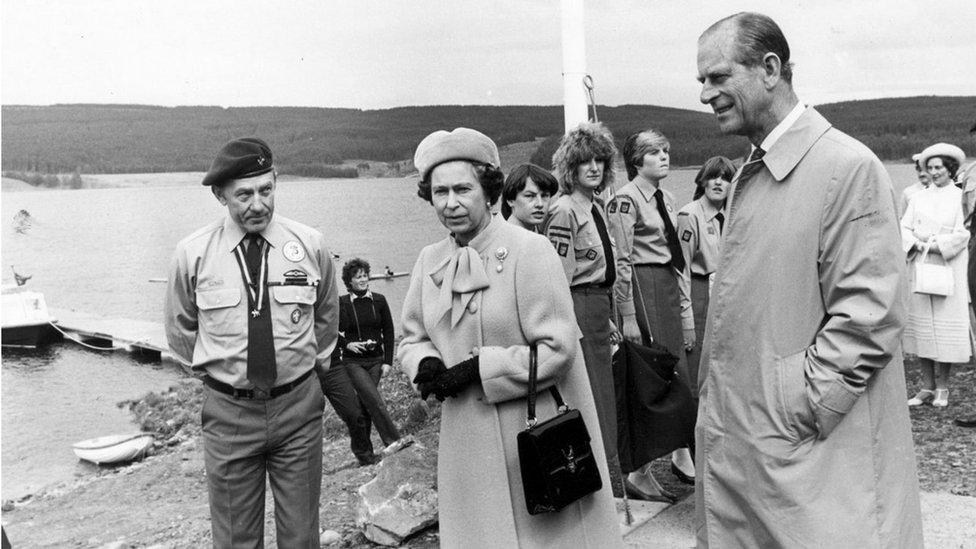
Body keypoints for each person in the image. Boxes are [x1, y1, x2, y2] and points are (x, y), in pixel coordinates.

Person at [694, 13, 922, 547]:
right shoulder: (756, 168)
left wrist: (800, 406)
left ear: (770, 68)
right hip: (759, 451)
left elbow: (870, 315)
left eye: (718, 77)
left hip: (806, 455)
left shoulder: (846, 167)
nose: (706, 94)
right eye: (702, 81)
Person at [398, 127, 621, 548]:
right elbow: (411, 337)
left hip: (531, 433)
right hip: (466, 436)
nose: (451, 203)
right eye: (439, 192)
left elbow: (558, 349)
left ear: (489, 190)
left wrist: (477, 368)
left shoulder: (529, 251)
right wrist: (424, 362)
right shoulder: (430, 260)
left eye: (463, 189)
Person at [164, 137, 339, 546]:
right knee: (235, 538)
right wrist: (225, 374)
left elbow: (327, 317)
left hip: (298, 409)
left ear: (276, 182)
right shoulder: (193, 254)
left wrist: (305, 368)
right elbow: (180, 329)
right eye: (243, 194)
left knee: (301, 536)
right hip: (229, 415)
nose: (257, 204)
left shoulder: (310, 245)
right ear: (219, 195)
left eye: (266, 190)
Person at [609, 129, 694, 496]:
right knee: (657, 372)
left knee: (679, 370)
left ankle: (680, 450)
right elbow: (622, 260)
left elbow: (675, 253)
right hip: (645, 287)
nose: (664, 156)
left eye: (666, 149)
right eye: (654, 152)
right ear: (636, 162)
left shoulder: (668, 199)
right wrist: (627, 314)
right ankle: (641, 470)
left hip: (667, 284)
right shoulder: (625, 201)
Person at [544, 122, 626, 497]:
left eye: (599, 160)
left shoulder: (594, 206)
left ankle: (610, 477)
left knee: (604, 394)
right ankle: (600, 482)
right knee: (590, 394)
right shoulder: (564, 211)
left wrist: (607, 316)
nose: (593, 167)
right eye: (584, 162)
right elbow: (560, 278)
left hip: (597, 307)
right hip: (577, 306)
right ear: (570, 168)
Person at [903, 143, 970, 408]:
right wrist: (916, 244)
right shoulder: (918, 197)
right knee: (922, 327)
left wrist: (933, 245)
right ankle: (926, 387)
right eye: (929, 168)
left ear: (949, 168)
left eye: (939, 167)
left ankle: (943, 387)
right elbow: (904, 227)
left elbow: (962, 233)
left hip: (947, 267)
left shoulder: (958, 196)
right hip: (920, 267)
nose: (933, 172)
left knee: (944, 327)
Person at [326, 258, 402, 464]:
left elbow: (389, 331)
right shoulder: (341, 303)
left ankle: (365, 454)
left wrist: (388, 361)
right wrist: (346, 344)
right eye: (358, 277)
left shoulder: (379, 300)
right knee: (374, 400)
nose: (363, 279)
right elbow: (330, 329)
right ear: (349, 281)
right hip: (353, 363)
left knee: (365, 404)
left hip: (376, 360)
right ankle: (394, 442)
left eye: (364, 275)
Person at [676, 156, 733, 397]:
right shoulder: (689, 215)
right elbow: (681, 270)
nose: (719, 183)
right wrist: (687, 319)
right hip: (699, 295)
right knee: (697, 364)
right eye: (713, 177)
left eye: (726, 178)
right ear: (703, 181)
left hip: (725, 293)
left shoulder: (732, 214)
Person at [501, 163, 557, 232]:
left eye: (544, 196)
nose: (540, 204)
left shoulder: (538, 238)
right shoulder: (500, 238)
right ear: (510, 200)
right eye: (529, 196)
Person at [899, 153, 931, 217]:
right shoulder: (908, 193)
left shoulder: (945, 191)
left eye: (925, 170)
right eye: (918, 169)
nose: (921, 174)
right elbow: (902, 220)